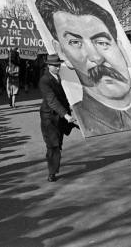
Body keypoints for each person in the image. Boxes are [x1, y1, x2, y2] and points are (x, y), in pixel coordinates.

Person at [35, 0, 131, 137]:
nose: (96, 57)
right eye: (75, 43)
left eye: (102, 42)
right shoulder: (84, 118)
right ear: (62, 53)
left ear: (121, 48)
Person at [39, 54, 78, 182]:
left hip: (61, 118)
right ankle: (52, 172)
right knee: (53, 145)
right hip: (49, 117)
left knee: (58, 144)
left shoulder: (63, 76)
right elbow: (52, 101)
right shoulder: (44, 80)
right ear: (48, 65)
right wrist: (66, 115)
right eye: (54, 65)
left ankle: (53, 163)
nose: (57, 67)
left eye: (58, 65)